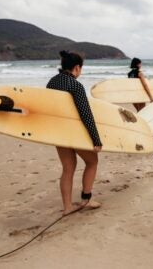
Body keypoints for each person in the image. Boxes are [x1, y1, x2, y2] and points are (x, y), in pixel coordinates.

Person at [46, 50, 103, 215]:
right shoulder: (75, 85)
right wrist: (96, 139)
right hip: (74, 132)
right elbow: (86, 114)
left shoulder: (52, 82)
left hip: (59, 132)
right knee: (92, 162)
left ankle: (67, 207)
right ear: (77, 67)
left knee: (68, 168)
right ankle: (86, 199)